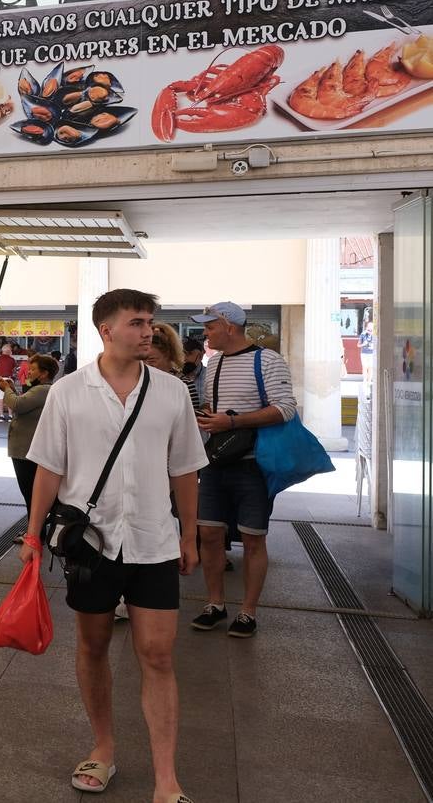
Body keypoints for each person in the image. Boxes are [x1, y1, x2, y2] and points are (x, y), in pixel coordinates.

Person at [20, 288, 207, 802]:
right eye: (137, 322)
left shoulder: (171, 392)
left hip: (154, 540)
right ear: (106, 329)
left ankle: (167, 779)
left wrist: (189, 534)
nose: (148, 330)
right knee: (93, 644)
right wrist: (33, 535)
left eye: (150, 321)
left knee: (157, 653)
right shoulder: (68, 392)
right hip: (93, 544)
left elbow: (185, 468)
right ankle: (103, 748)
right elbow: (49, 468)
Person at [190, 301, 297, 639]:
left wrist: (232, 420)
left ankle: (248, 611)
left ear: (229, 325)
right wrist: (208, 416)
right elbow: (215, 408)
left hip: (253, 464)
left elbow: (286, 409)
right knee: (208, 534)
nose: (205, 333)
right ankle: (215, 604)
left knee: (253, 538)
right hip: (216, 462)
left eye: (210, 326)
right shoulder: (215, 362)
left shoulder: (267, 359)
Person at [0, 353, 58, 540]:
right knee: (32, 493)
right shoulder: (41, 389)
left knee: (30, 493)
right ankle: (37, 532)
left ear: (44, 373)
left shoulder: (43, 390)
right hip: (27, 449)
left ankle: (35, 534)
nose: (28, 372)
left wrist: (6, 389)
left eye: (33, 369)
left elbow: (17, 404)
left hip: (26, 451)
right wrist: (13, 388)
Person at [180, 337, 207, 407]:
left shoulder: (209, 375)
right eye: (181, 354)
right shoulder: (174, 375)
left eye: (189, 354)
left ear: (200, 356)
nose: (184, 358)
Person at [0, 343, 16, 420]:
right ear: (9, 351)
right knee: (9, 397)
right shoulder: (12, 359)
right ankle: (10, 416)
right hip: (9, 379)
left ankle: (1, 416)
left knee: (0, 398)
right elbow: (14, 369)